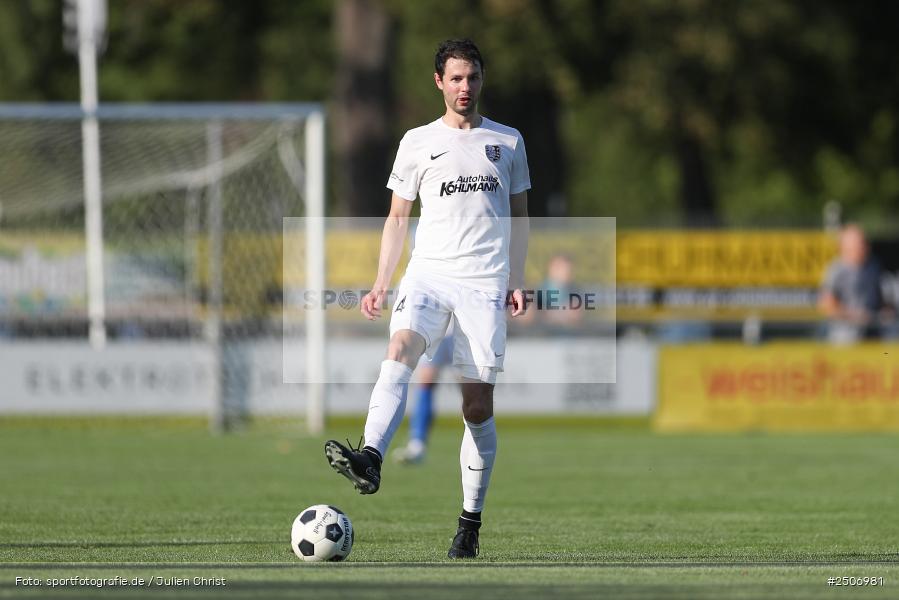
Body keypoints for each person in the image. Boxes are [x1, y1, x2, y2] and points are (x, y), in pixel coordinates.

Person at [323, 38, 530, 559]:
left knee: (476, 406)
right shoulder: (417, 141)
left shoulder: (507, 141)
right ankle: (370, 456)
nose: (465, 87)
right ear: (439, 82)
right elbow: (397, 218)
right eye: (456, 78)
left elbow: (521, 218)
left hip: (484, 282)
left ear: (483, 80)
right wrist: (380, 281)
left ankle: (469, 522)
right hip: (429, 276)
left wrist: (518, 279)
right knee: (399, 352)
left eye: (473, 77)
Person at [391, 322, 456, 466]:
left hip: (466, 330)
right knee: (426, 381)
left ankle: (479, 441)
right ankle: (417, 443)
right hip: (434, 329)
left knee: (472, 391)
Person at [818, 224, 887, 343]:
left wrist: (883, 313)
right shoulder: (836, 271)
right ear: (845, 247)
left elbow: (881, 300)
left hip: (873, 336)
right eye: (859, 244)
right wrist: (855, 316)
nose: (863, 247)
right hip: (844, 338)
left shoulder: (874, 267)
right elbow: (827, 305)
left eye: (864, 243)